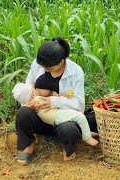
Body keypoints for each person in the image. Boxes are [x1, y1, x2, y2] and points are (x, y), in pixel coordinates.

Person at [15, 36, 97, 165]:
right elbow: (29, 88)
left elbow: (79, 105)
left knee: (69, 130)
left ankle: (68, 147)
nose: (45, 69)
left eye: (49, 68)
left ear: (62, 61)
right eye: (43, 67)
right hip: (41, 116)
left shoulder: (76, 72)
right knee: (23, 113)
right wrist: (33, 103)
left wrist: (53, 101)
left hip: (63, 118)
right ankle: (29, 145)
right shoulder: (38, 65)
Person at [12, 82, 98, 146]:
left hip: (53, 119)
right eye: (34, 89)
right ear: (33, 94)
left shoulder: (30, 104)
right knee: (80, 116)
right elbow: (54, 99)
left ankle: (86, 132)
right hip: (57, 115)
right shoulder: (38, 99)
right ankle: (87, 138)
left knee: (76, 118)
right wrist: (66, 95)